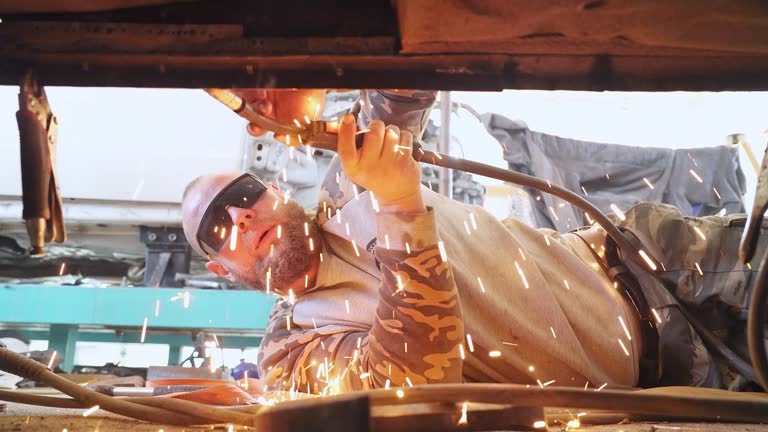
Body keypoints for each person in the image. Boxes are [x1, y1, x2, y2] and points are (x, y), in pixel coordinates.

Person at [182, 90, 764, 394]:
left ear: (275, 189)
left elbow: (405, 78)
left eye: (243, 191)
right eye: (215, 228)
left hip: (646, 254)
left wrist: (306, 65)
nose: (238, 214)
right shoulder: (291, 355)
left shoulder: (352, 172)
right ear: (221, 270)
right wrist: (400, 207)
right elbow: (411, 380)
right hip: (670, 368)